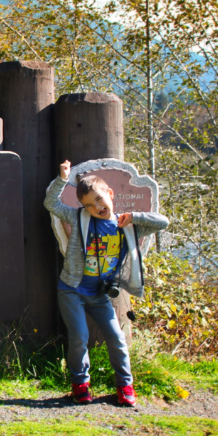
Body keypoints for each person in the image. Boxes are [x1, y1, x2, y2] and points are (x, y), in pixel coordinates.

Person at [44, 159, 169, 407]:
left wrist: (134, 216)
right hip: (71, 290)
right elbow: (51, 203)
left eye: (100, 199)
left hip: (99, 294)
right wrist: (63, 178)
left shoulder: (126, 226)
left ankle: (124, 386)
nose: (97, 207)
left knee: (116, 337)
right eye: (89, 205)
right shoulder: (78, 217)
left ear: (110, 194)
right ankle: (80, 385)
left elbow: (163, 222)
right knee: (79, 336)